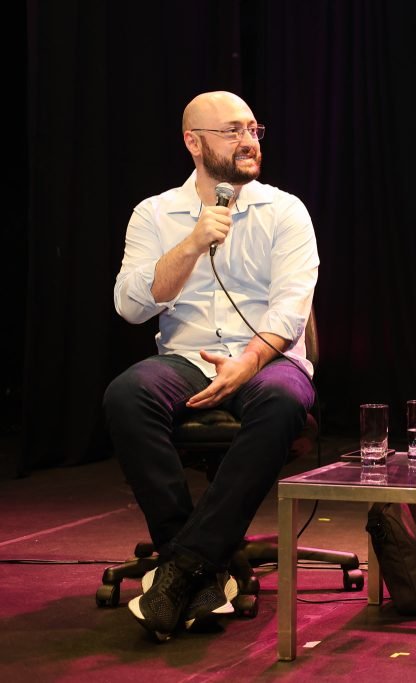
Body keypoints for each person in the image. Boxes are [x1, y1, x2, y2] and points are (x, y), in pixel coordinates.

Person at [104, 91, 319, 640]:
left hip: (265, 357)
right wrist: (192, 242)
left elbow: (291, 307)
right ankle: (197, 562)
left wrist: (248, 362)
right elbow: (131, 307)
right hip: (184, 358)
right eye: (231, 131)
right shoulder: (153, 214)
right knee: (126, 395)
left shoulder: (284, 210)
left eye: (253, 129)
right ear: (192, 142)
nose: (248, 141)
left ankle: (180, 568)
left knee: (282, 400)